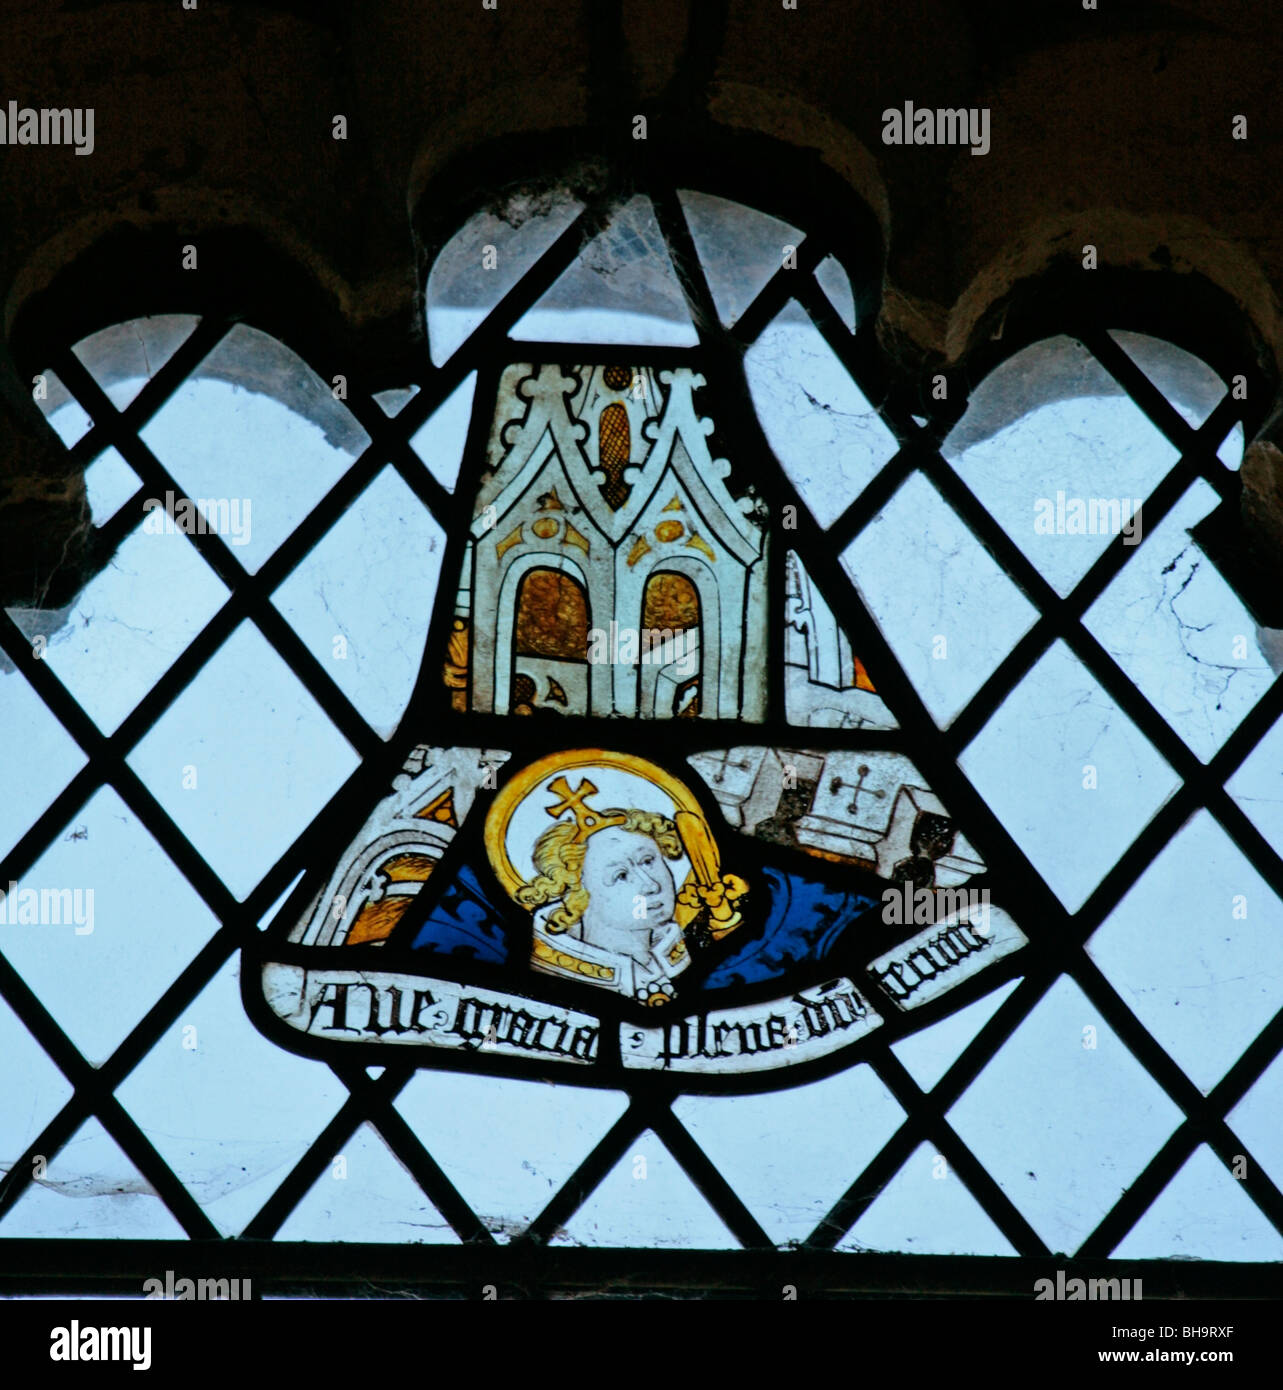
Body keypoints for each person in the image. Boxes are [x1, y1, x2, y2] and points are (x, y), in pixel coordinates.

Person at [517, 811, 692, 1005]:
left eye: (648, 861)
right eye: (621, 875)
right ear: (577, 891)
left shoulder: (688, 957)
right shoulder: (549, 975)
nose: (651, 886)